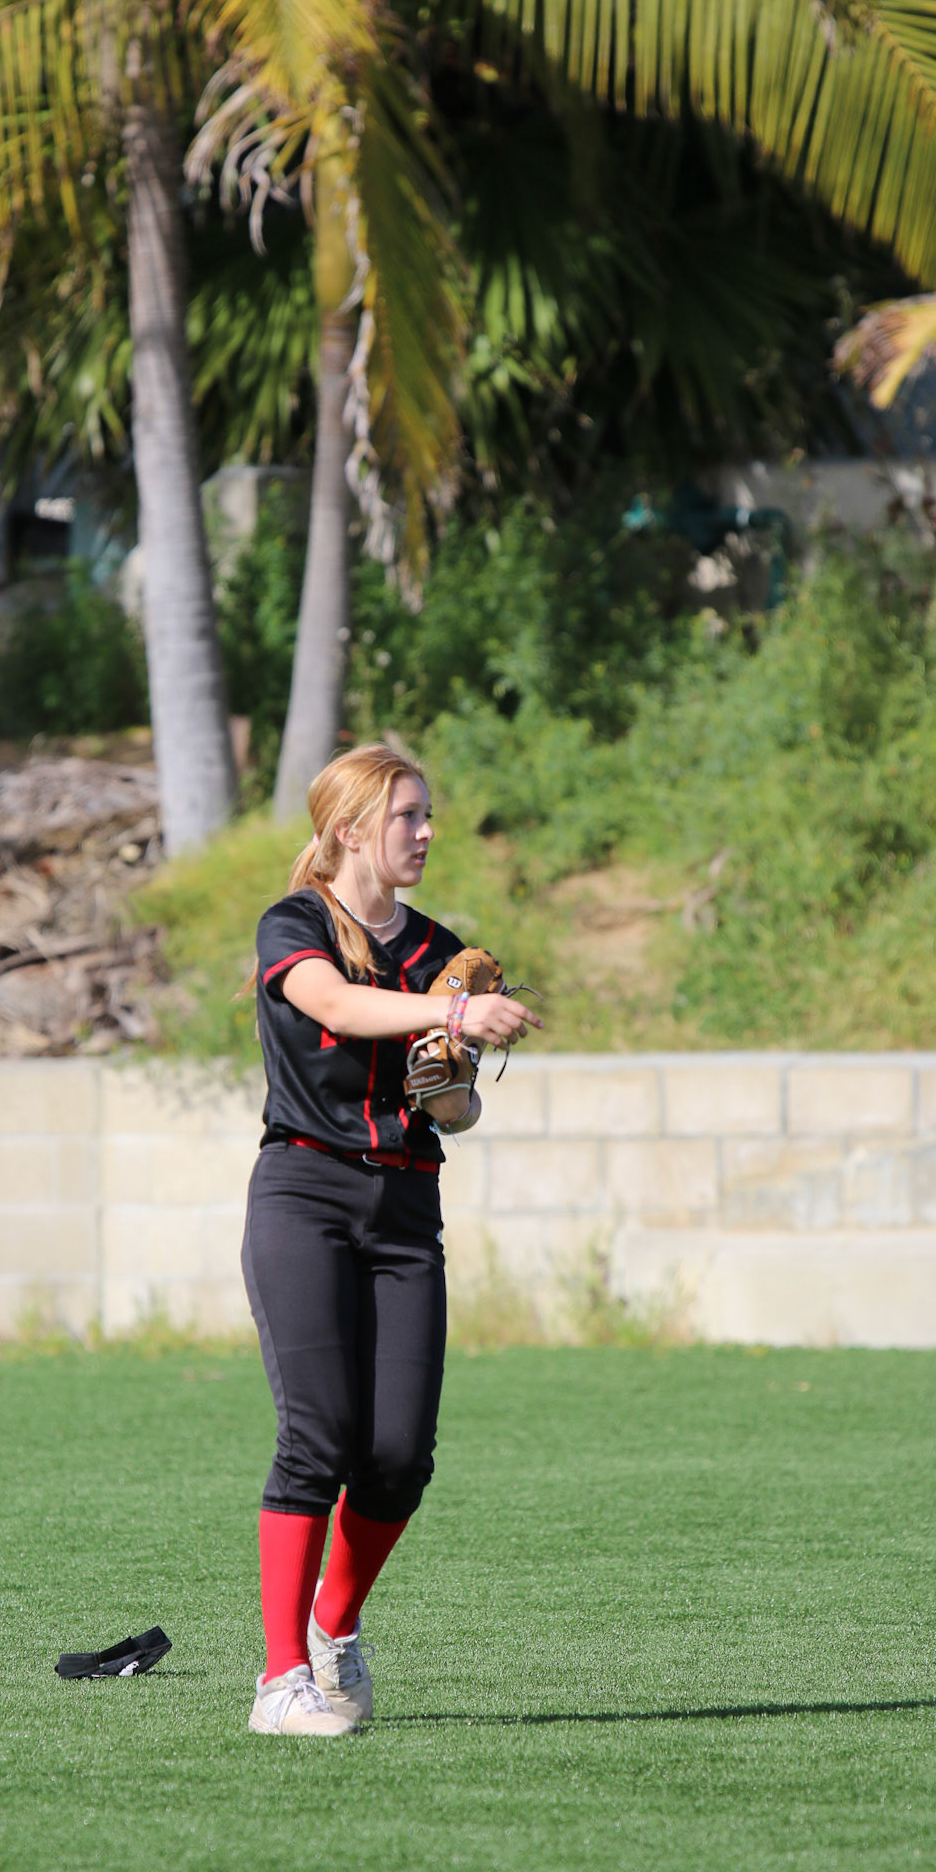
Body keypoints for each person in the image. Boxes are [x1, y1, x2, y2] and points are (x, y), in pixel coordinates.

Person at [242, 742, 540, 1736]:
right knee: (317, 1437)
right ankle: (280, 1681)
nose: (425, 831)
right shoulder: (294, 922)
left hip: (406, 1206)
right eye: (406, 815)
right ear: (349, 829)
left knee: (401, 1455)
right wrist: (454, 1009)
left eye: (425, 813)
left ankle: (333, 1626)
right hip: (305, 1194)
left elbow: (456, 1110)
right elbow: (332, 1001)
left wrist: (449, 1087)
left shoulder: (437, 947)